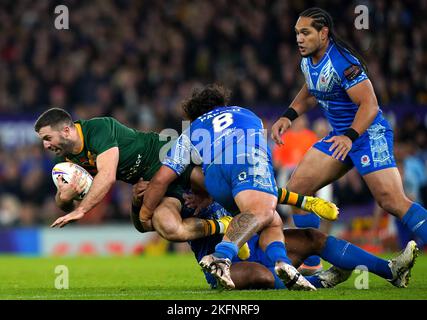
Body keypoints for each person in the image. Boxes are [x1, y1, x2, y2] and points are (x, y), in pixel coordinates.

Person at [34, 108, 336, 255]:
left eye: (48, 138)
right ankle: (222, 226)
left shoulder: (98, 129)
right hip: (153, 182)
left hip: (167, 156)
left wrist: (81, 210)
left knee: (226, 188)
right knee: (161, 227)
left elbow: (108, 175)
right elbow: (62, 199)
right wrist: (65, 198)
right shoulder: (66, 161)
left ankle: (304, 200)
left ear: (67, 129)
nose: (46, 145)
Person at [139, 84, 337, 291]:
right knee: (264, 266)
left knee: (291, 228)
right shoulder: (245, 118)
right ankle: (225, 258)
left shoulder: (192, 144)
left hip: (249, 238)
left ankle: (304, 268)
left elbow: (161, 181)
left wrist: (143, 213)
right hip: (235, 243)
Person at [271, 8, 427, 265]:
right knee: (297, 191)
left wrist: (350, 136)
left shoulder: (344, 62)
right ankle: (311, 265)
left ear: (323, 33)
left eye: (306, 33)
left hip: (367, 133)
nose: (299, 38)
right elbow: (311, 91)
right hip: (340, 137)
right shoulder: (307, 60)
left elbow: (370, 105)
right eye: (297, 33)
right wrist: (288, 115)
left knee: (391, 200)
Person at [133, 179, 418, 290]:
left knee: (311, 237)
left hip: (259, 243)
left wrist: (305, 202)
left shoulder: (221, 177)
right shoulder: (175, 196)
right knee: (259, 273)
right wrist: (137, 203)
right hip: (226, 266)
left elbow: (265, 193)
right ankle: (318, 281)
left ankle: (391, 270)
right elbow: (146, 224)